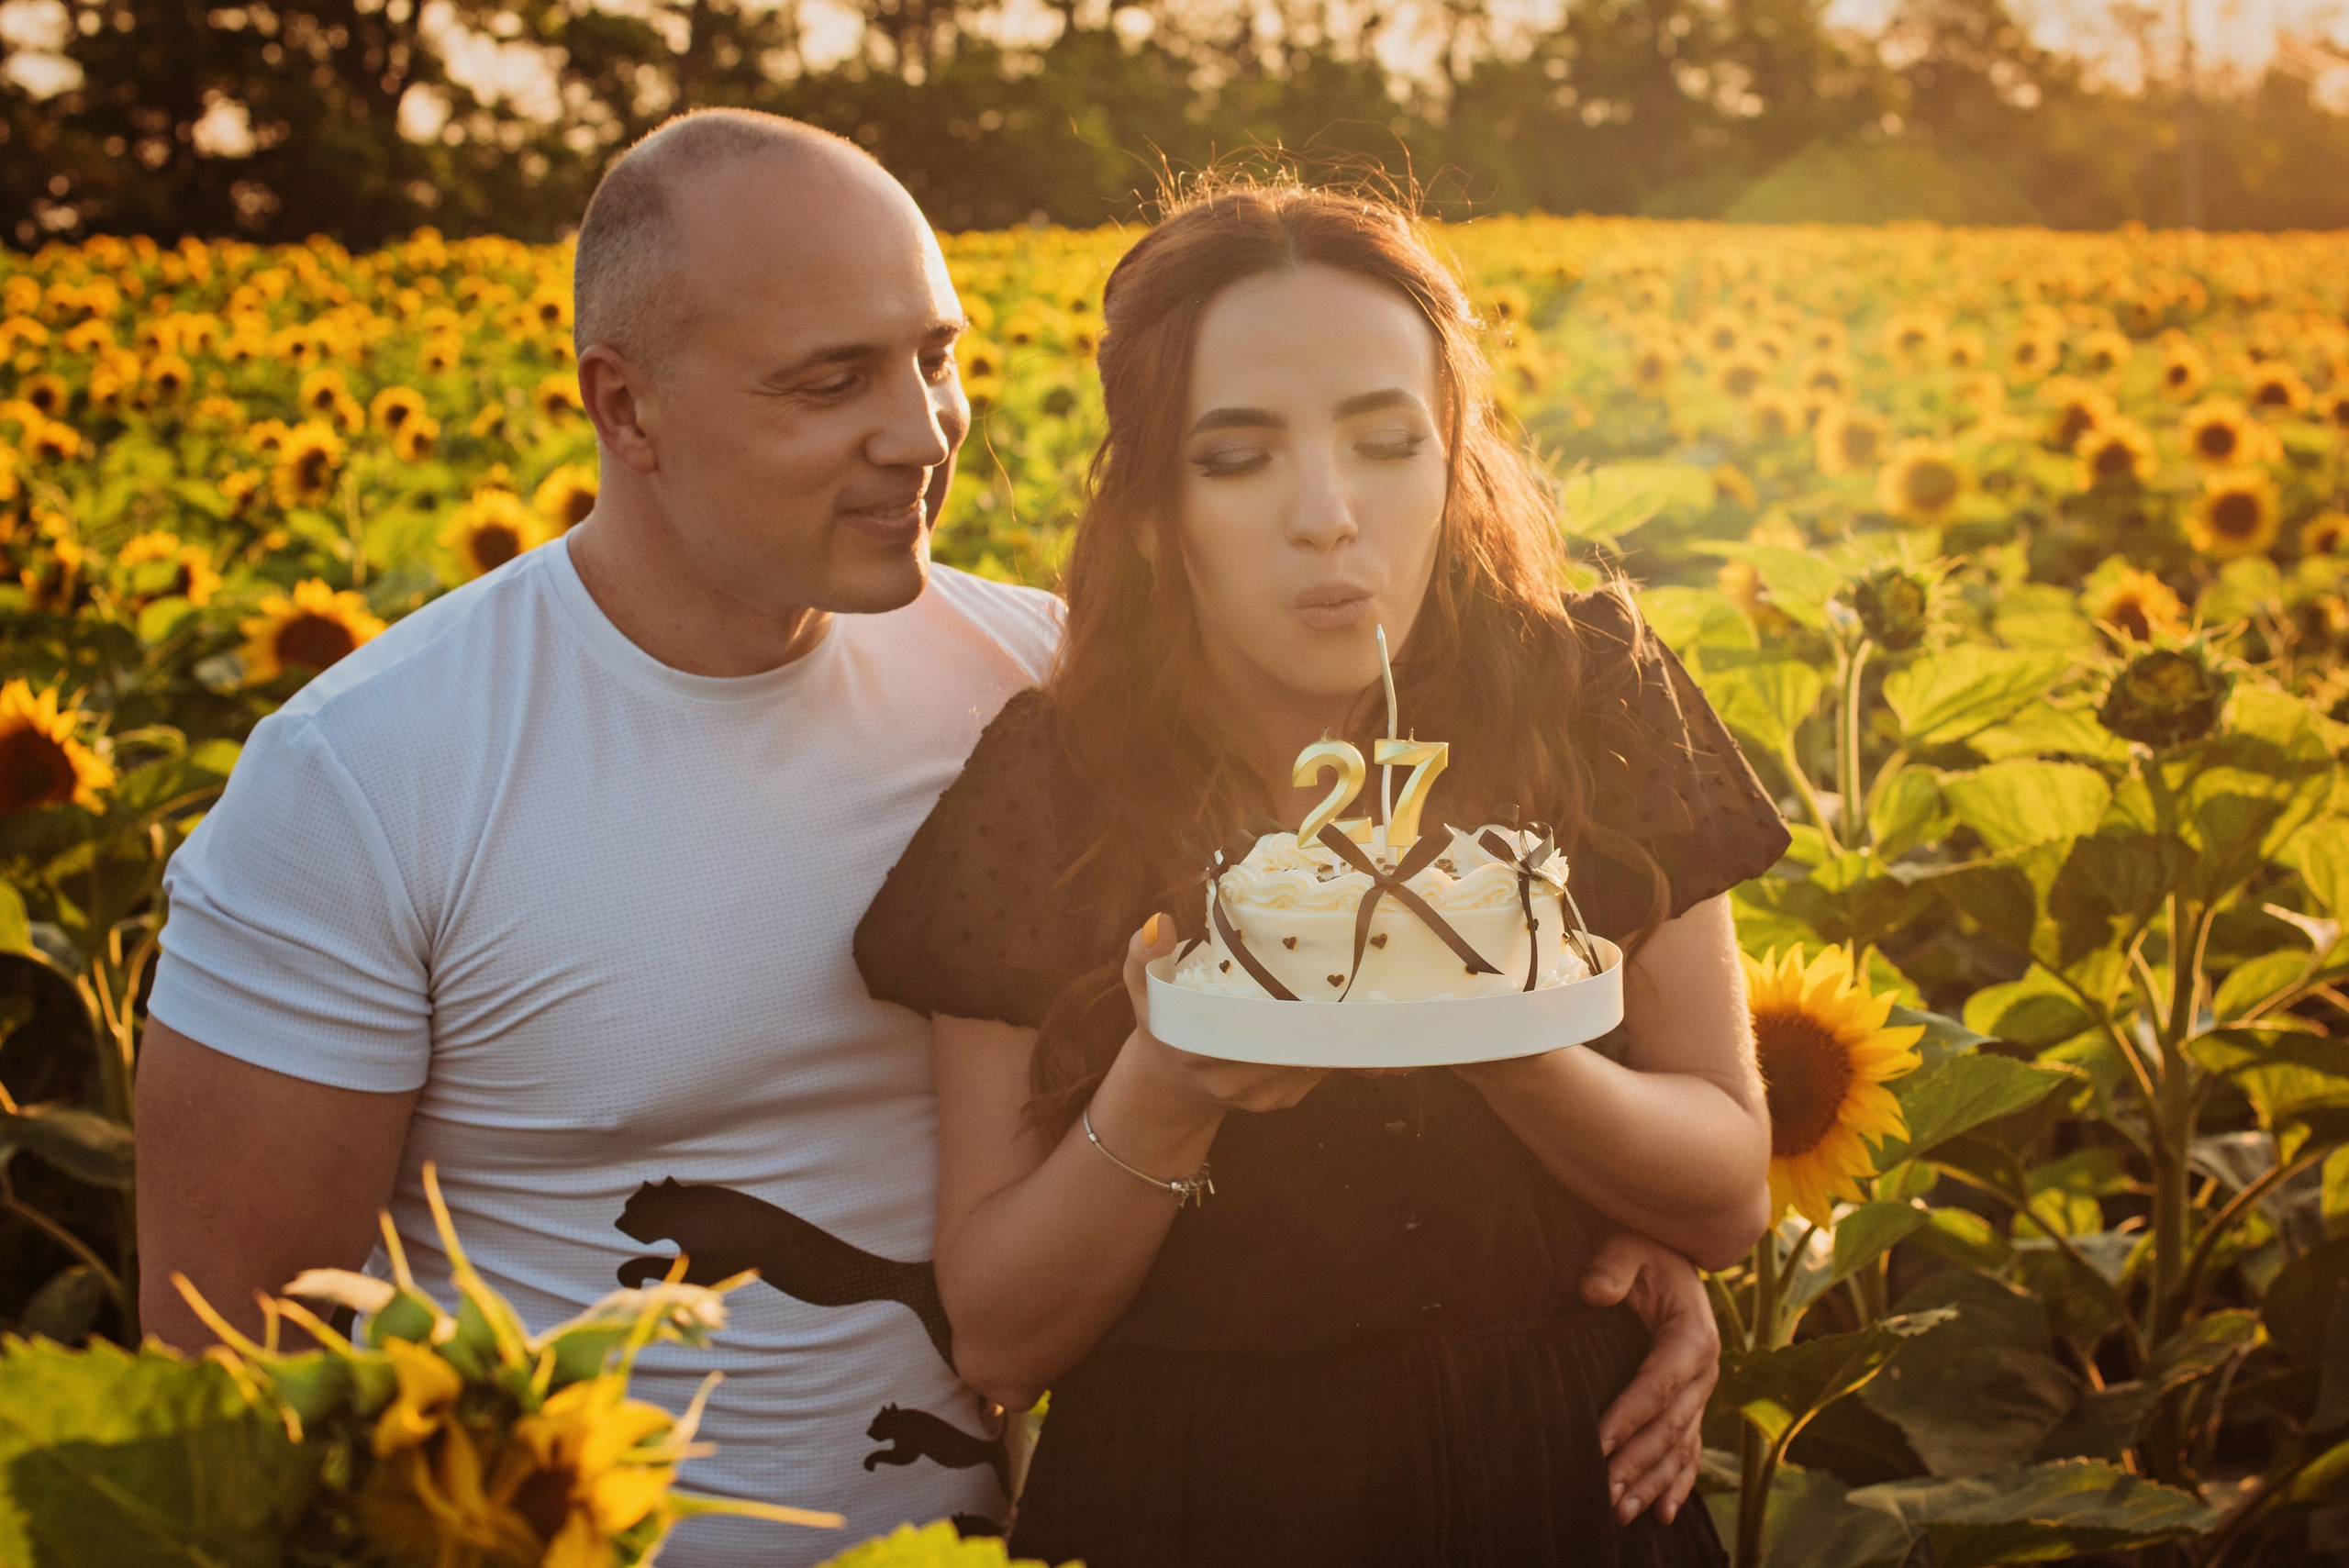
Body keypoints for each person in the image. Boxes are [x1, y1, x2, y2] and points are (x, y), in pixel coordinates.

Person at [132, 110, 1722, 1563]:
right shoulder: (372, 773)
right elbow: (221, 1374)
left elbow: (1479, 1014)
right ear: (625, 403)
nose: (921, 432)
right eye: (832, 382)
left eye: (937, 358)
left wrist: (1636, 1240)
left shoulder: (1035, 681)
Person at [855, 179, 1787, 1567]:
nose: (1328, 515)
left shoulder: (1590, 696)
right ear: (1156, 510)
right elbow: (996, 1333)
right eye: (1235, 457)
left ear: (1455, 457)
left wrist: (1494, 1023)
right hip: (1194, 1502)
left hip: (1566, 1485)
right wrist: (1165, 1091)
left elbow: (1726, 1189)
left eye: (1386, 440)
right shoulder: (1055, 783)